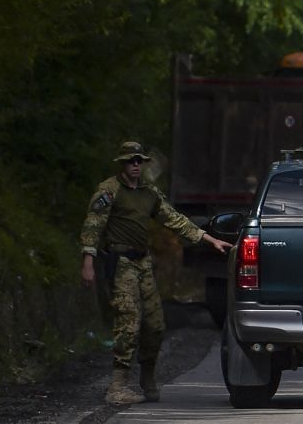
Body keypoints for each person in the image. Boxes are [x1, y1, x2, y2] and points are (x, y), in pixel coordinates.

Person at [80, 141, 233, 405]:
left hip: (143, 263)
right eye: (131, 161)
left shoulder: (149, 194)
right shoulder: (109, 191)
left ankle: (147, 378)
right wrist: (88, 261)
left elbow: (176, 220)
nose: (136, 165)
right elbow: (92, 226)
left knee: (155, 325)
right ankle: (117, 386)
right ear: (122, 164)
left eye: (139, 160)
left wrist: (210, 240)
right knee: (128, 321)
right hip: (120, 263)